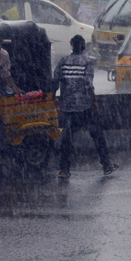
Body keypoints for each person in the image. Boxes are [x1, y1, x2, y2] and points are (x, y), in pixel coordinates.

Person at [51, 35, 116, 179]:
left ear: (71, 46)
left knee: (66, 138)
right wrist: (94, 101)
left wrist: (53, 98)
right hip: (84, 107)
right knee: (97, 134)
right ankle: (106, 165)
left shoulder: (63, 61)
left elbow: (55, 81)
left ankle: (64, 169)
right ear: (83, 48)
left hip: (67, 107)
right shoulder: (87, 62)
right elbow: (88, 84)